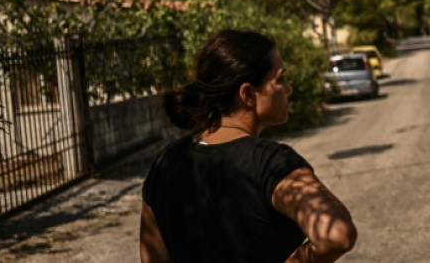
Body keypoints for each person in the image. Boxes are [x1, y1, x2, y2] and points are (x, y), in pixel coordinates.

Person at [139, 29, 357, 263]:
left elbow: (152, 257)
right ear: (248, 94)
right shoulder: (271, 163)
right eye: (280, 79)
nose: (288, 89)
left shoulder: (167, 161)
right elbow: (337, 235)